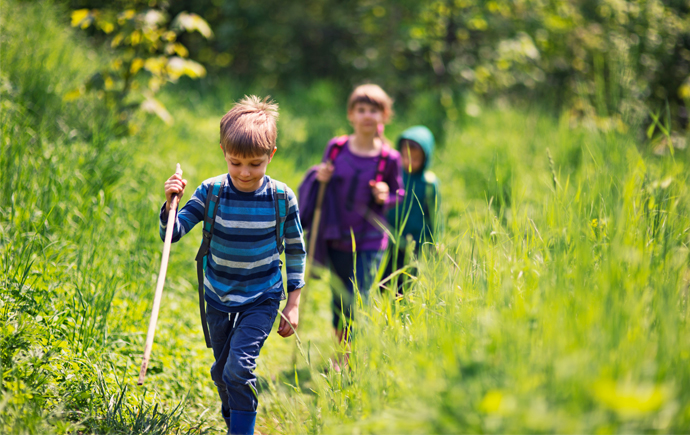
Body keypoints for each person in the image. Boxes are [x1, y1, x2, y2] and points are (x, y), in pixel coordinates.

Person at [160, 96, 306, 435]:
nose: (244, 172)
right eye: (235, 162)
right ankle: (235, 421)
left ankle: (242, 431)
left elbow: (297, 250)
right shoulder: (211, 192)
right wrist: (170, 207)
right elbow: (175, 233)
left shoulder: (281, 198)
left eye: (255, 164)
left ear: (271, 155)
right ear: (224, 150)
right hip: (217, 295)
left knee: (238, 368)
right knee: (222, 372)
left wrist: (294, 303)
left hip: (262, 295)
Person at [299, 84, 403, 359]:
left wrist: (386, 196)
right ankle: (342, 347)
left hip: (370, 238)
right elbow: (322, 183)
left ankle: (349, 357)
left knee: (359, 296)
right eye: (361, 110)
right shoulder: (336, 148)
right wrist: (320, 177)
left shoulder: (389, 158)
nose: (367, 115)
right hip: (336, 235)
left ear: (384, 116)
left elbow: (398, 193)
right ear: (351, 115)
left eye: (374, 110)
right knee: (339, 298)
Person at [385, 125, 441, 294]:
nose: (410, 162)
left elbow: (435, 215)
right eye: (405, 157)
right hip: (389, 238)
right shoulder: (393, 175)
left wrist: (435, 240)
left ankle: (401, 314)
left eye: (416, 159)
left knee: (407, 284)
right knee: (384, 281)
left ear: (426, 159)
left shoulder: (429, 183)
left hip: (415, 243)